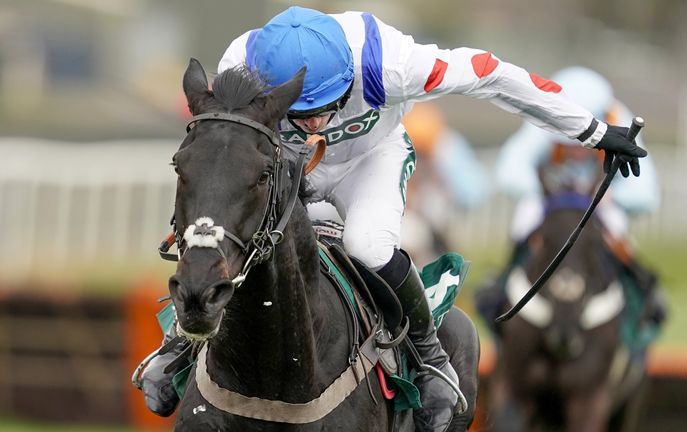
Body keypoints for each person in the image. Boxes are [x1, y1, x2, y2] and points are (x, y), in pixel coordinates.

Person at [141, 8, 648, 431]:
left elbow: (495, 75)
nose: (318, 125)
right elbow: (221, 156)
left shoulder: (396, 63)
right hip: (285, 165)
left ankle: (430, 359)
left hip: (370, 160)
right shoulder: (241, 63)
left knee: (367, 246)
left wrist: (592, 131)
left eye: (327, 108)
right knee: (246, 241)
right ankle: (180, 343)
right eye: (304, 112)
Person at [490, 65, 666, 339]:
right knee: (525, 218)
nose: (575, 150)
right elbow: (509, 170)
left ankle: (640, 298)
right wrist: (549, 194)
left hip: (600, 205)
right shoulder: (543, 114)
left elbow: (646, 194)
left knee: (616, 228)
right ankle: (503, 286)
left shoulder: (622, 120)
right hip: (552, 203)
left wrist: (612, 197)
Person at [400, 102, 490, 265]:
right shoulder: (397, 156)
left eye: (423, 150)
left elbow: (474, 192)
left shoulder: (448, 150)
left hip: (437, 229)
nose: (420, 155)